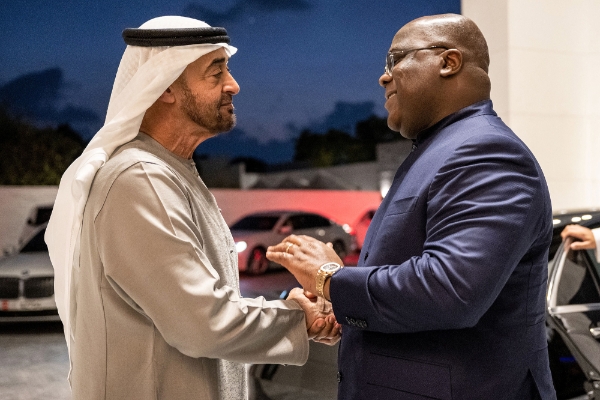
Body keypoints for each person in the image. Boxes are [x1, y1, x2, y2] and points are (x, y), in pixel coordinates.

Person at [45, 16, 339, 400]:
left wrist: (286, 308)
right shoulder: (141, 178)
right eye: (215, 74)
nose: (233, 85)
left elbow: (199, 300)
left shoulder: (170, 170)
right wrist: (299, 319)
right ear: (165, 86)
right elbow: (202, 323)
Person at [267, 13, 556, 400]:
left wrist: (329, 279)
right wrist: (340, 302)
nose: (383, 77)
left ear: (448, 62)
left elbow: (450, 290)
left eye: (395, 60)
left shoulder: (486, 152)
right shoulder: (440, 151)